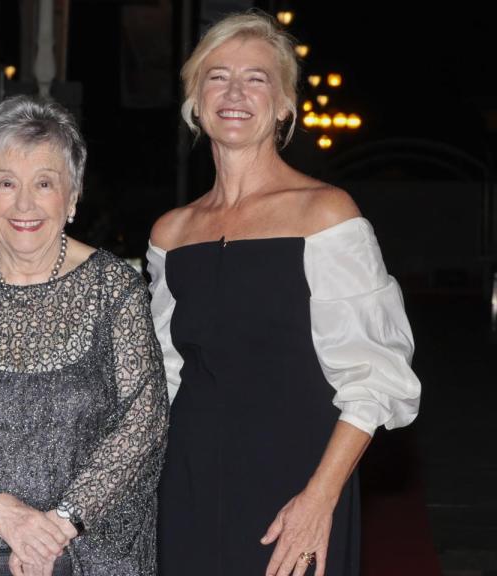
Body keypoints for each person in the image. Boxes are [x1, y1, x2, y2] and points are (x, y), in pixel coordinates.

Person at [147, 11, 422, 576]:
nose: (235, 92)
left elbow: (375, 376)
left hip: (297, 477)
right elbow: (163, 376)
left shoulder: (325, 213)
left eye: (257, 78)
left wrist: (321, 498)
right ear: (195, 100)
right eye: (217, 76)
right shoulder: (170, 233)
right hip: (188, 481)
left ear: (283, 104)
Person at [0, 95, 169, 576]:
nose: (24, 203)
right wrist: (3, 513)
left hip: (92, 555)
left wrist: (56, 528)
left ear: (72, 195)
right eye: (6, 183)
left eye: (44, 183)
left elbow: (143, 422)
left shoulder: (115, 289)